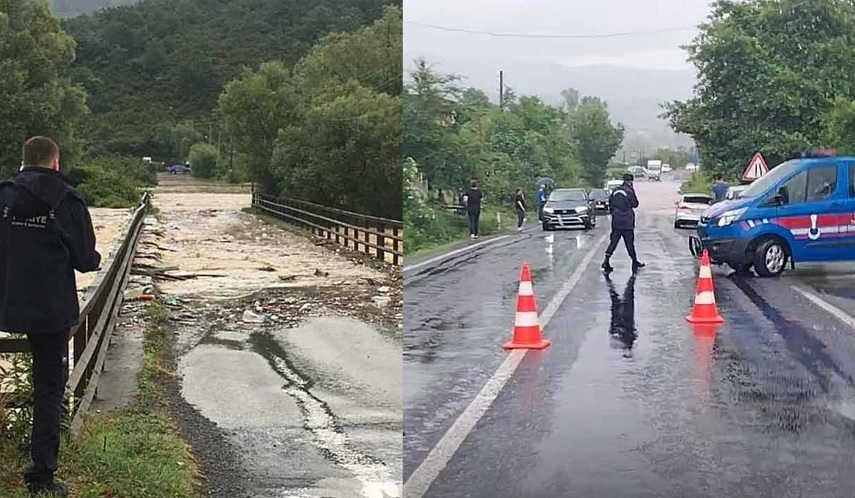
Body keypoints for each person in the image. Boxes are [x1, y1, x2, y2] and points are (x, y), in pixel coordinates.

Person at [0, 136, 101, 497]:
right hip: (50, 310)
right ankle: (41, 476)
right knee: (48, 391)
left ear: (23, 161)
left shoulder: (4, 195)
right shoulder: (67, 200)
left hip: (7, 301)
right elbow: (87, 261)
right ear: (55, 163)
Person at [602, 173, 645, 274]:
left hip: (616, 221)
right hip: (627, 221)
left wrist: (615, 214)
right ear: (631, 181)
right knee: (630, 244)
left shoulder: (615, 190)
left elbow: (610, 204)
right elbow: (635, 204)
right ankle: (634, 262)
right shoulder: (629, 191)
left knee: (613, 242)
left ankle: (606, 261)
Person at [606, 273, 637, 358]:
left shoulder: (618, 343)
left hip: (622, 321)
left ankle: (608, 278)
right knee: (620, 298)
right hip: (625, 320)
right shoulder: (621, 342)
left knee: (616, 300)